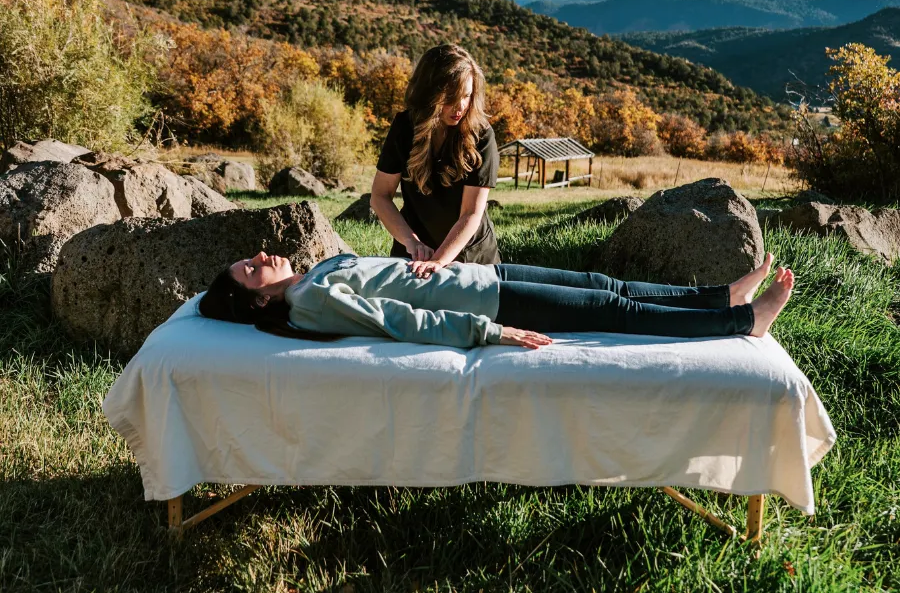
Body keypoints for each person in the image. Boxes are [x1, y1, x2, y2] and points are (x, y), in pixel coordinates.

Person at [198, 250, 794, 350]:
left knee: (607, 286)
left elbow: (392, 279)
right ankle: (742, 323)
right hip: (493, 304)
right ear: (256, 302)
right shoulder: (309, 304)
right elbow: (402, 320)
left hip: (484, 274)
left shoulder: (310, 277)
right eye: (251, 271)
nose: (260, 257)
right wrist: (494, 333)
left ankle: (719, 296)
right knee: (618, 312)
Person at [371, 43, 500, 279]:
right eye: (451, 97)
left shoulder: (482, 135)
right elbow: (380, 196)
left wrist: (440, 260)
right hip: (414, 253)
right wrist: (411, 242)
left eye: (467, 95)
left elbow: (472, 213)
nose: (461, 106)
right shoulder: (404, 128)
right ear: (430, 93)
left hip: (471, 257)